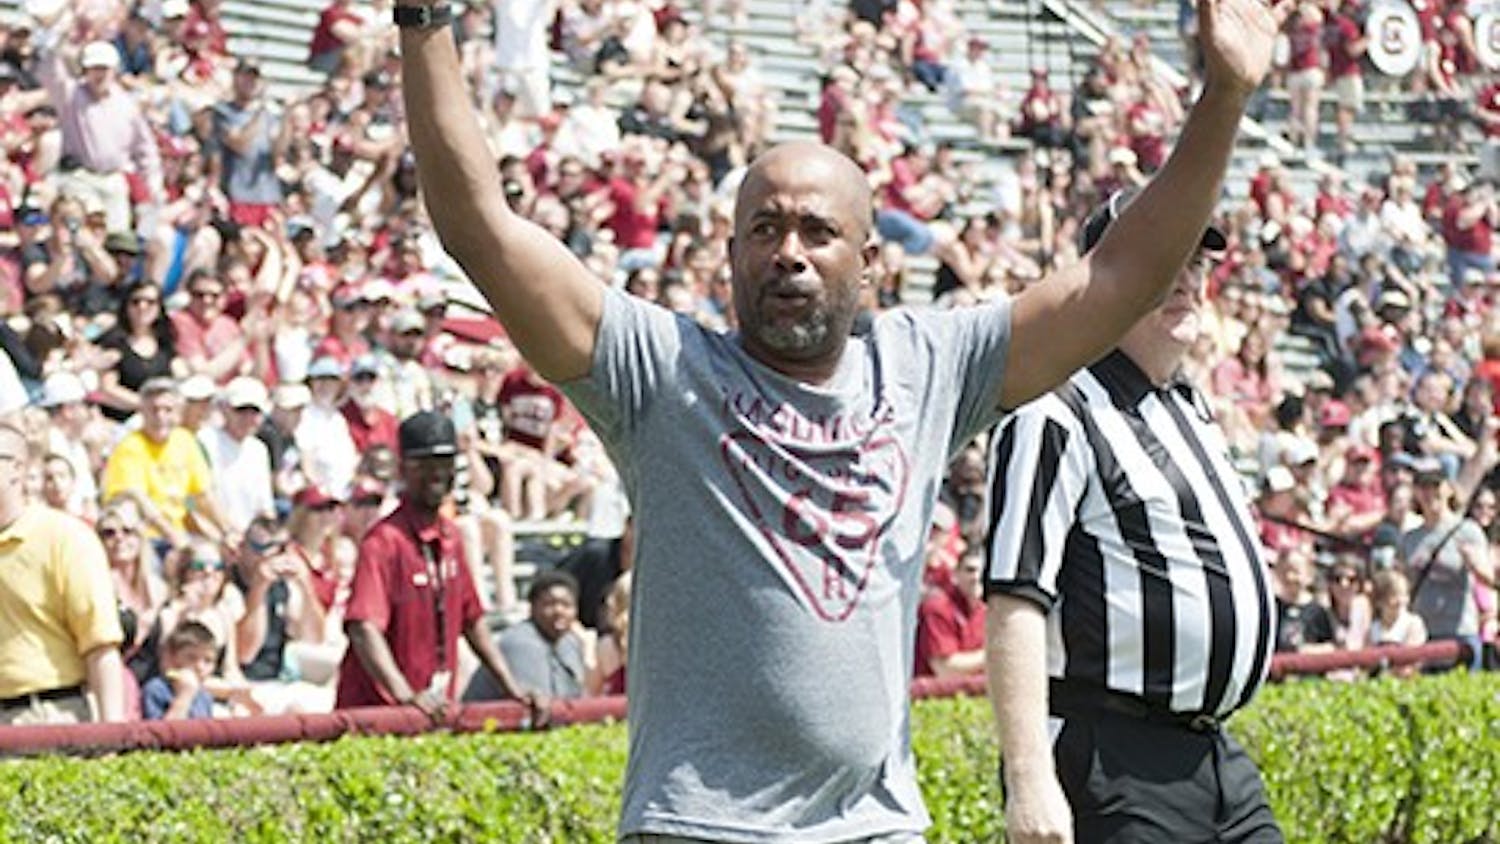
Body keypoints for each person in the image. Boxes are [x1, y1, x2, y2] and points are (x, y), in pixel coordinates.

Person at [393, 0, 1279, 834]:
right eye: (765, 229)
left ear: (871, 262)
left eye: (817, 232)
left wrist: (1226, 95)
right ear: (730, 251)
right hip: (698, 829)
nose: (789, 254)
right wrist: (426, 18)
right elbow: (478, 226)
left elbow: (1122, 277)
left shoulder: (929, 367)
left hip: (876, 829)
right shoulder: (658, 370)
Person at [984, 187, 1281, 843]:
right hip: (1113, 757)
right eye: (1161, 256)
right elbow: (1013, 599)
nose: (1186, 278)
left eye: (1197, 261)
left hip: (1214, 757)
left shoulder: (1188, 406)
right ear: (1106, 280)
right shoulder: (1054, 408)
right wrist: (1029, 779)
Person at [336, 411, 544, 720]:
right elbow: (364, 628)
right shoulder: (383, 541)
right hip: (378, 715)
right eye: (424, 465)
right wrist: (404, 695)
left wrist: (512, 687)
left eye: (444, 464)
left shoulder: (452, 536)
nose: (436, 475)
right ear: (403, 469)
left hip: (432, 710)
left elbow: (473, 621)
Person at [0, 421, 126, 725]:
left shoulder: (65, 537)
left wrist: (115, 740)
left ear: (18, 468)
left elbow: (100, 645)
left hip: (46, 713)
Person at [463, 570, 588, 702]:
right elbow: (536, 706)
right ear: (532, 608)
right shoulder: (521, 643)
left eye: (566, 605)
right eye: (549, 604)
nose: (559, 611)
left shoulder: (571, 642)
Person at [913, 548, 986, 678]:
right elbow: (945, 669)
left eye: (984, 571)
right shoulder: (937, 607)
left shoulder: (987, 609)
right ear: (955, 574)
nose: (977, 577)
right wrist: (993, 656)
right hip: (931, 695)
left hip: (974, 693)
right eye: (970, 570)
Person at [140, 620, 219, 720]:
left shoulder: (205, 697)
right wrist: (184, 695)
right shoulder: (155, 690)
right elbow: (162, 733)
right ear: (172, 658)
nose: (200, 667)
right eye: (191, 657)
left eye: (208, 661)